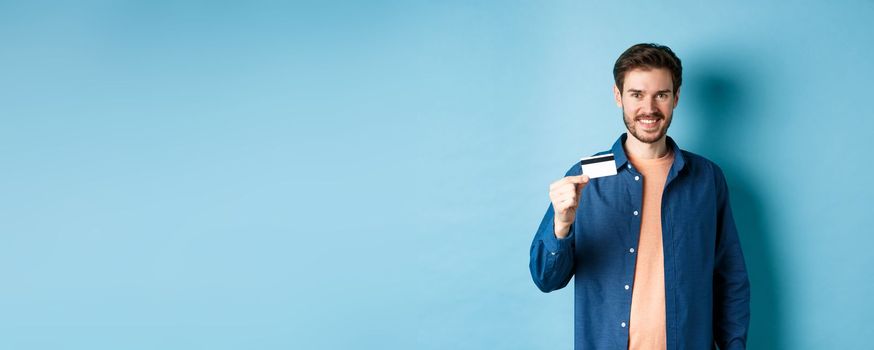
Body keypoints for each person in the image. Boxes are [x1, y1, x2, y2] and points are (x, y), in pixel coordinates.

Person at [529, 43, 750, 350]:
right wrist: (561, 224)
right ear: (618, 97)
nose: (649, 108)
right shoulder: (585, 177)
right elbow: (545, 278)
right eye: (637, 94)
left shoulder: (707, 179)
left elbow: (731, 279)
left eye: (661, 94)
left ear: (676, 98)